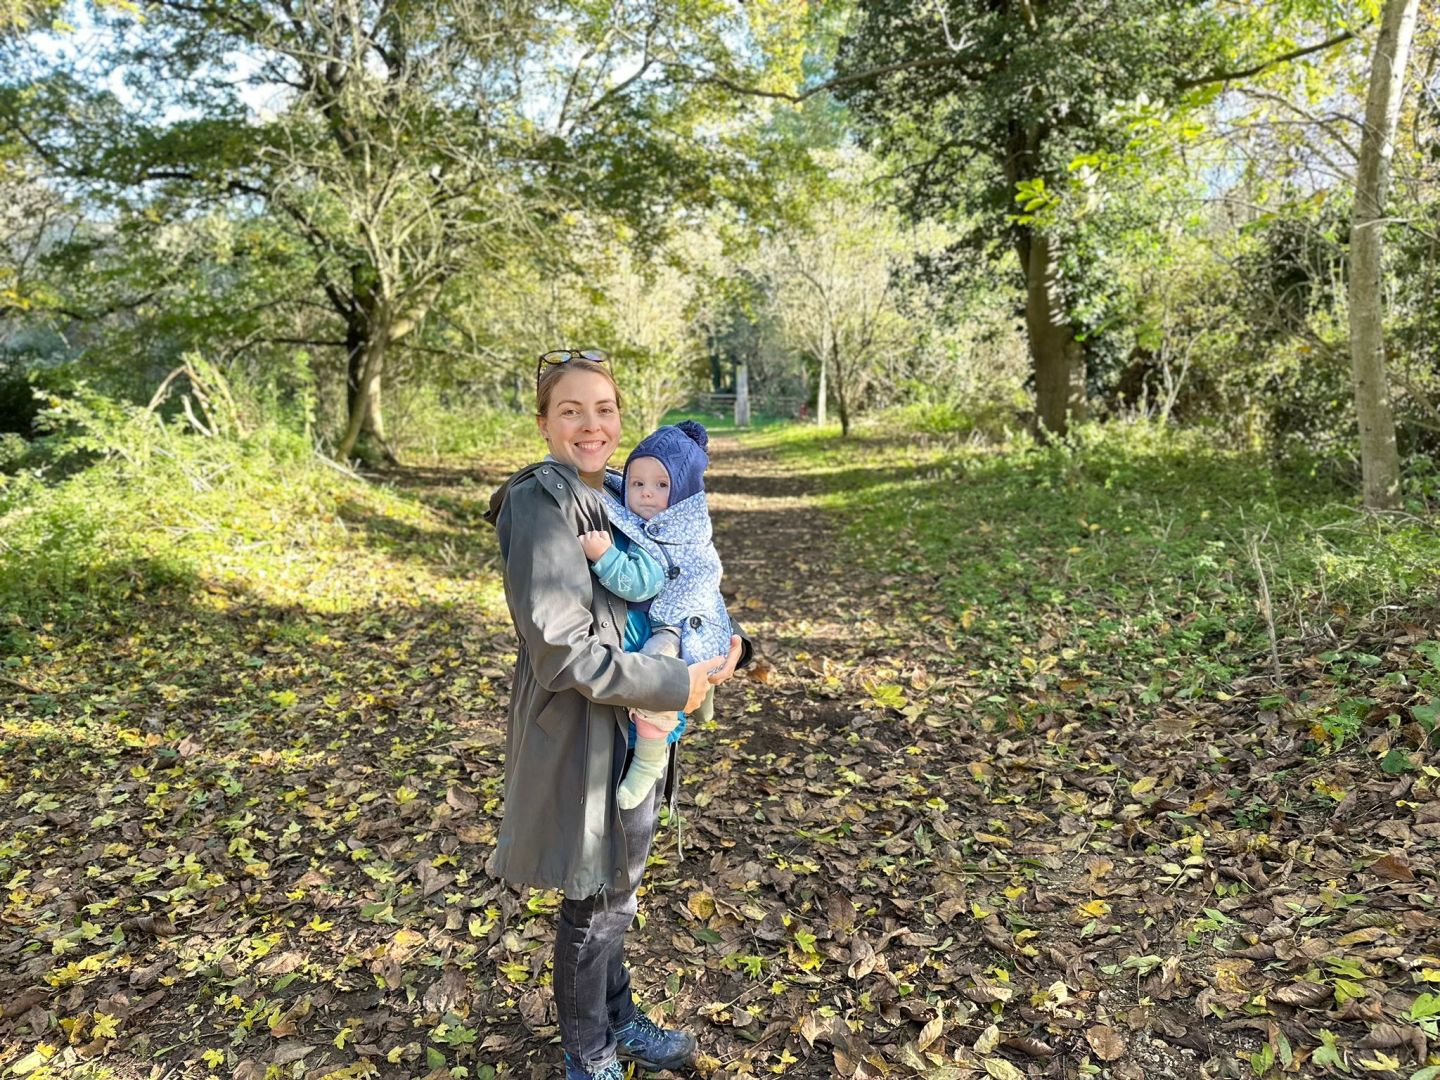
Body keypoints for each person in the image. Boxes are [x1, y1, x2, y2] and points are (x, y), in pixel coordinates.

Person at [484, 349, 748, 1080]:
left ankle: (618, 1019)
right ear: (544, 422)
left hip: (631, 725)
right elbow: (562, 652)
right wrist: (672, 682)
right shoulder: (546, 503)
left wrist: (733, 645)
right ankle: (589, 1054)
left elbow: (669, 592)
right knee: (593, 904)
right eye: (570, 410)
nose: (590, 424)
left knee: (617, 896)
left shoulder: (613, 500)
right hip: (582, 735)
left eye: (603, 409)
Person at [579, 420, 729, 810]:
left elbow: (640, 584)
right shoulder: (689, 522)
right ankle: (705, 689)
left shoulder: (657, 533)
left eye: (661, 486)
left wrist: (605, 555)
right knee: (689, 664)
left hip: (675, 625)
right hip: (704, 618)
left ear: (682, 493)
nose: (646, 494)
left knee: (656, 675)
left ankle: (648, 757)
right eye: (637, 483)